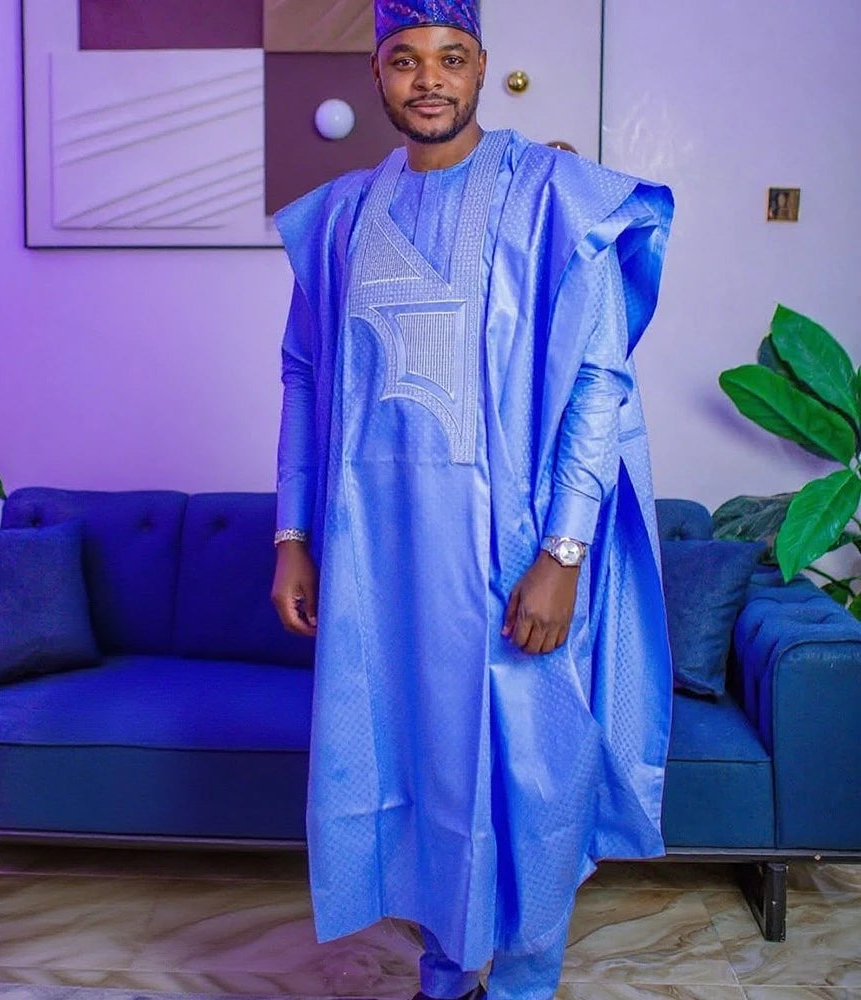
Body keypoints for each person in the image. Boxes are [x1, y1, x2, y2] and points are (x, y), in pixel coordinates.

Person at [270, 2, 675, 997]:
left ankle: (527, 981)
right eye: (404, 60)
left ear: (482, 67)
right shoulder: (341, 217)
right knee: (421, 770)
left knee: (534, 773)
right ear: (376, 75)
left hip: (516, 552)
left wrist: (563, 552)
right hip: (382, 564)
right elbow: (303, 375)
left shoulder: (553, 194)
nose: (428, 79)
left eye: (449, 58)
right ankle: (446, 973)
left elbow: (598, 382)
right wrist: (293, 535)